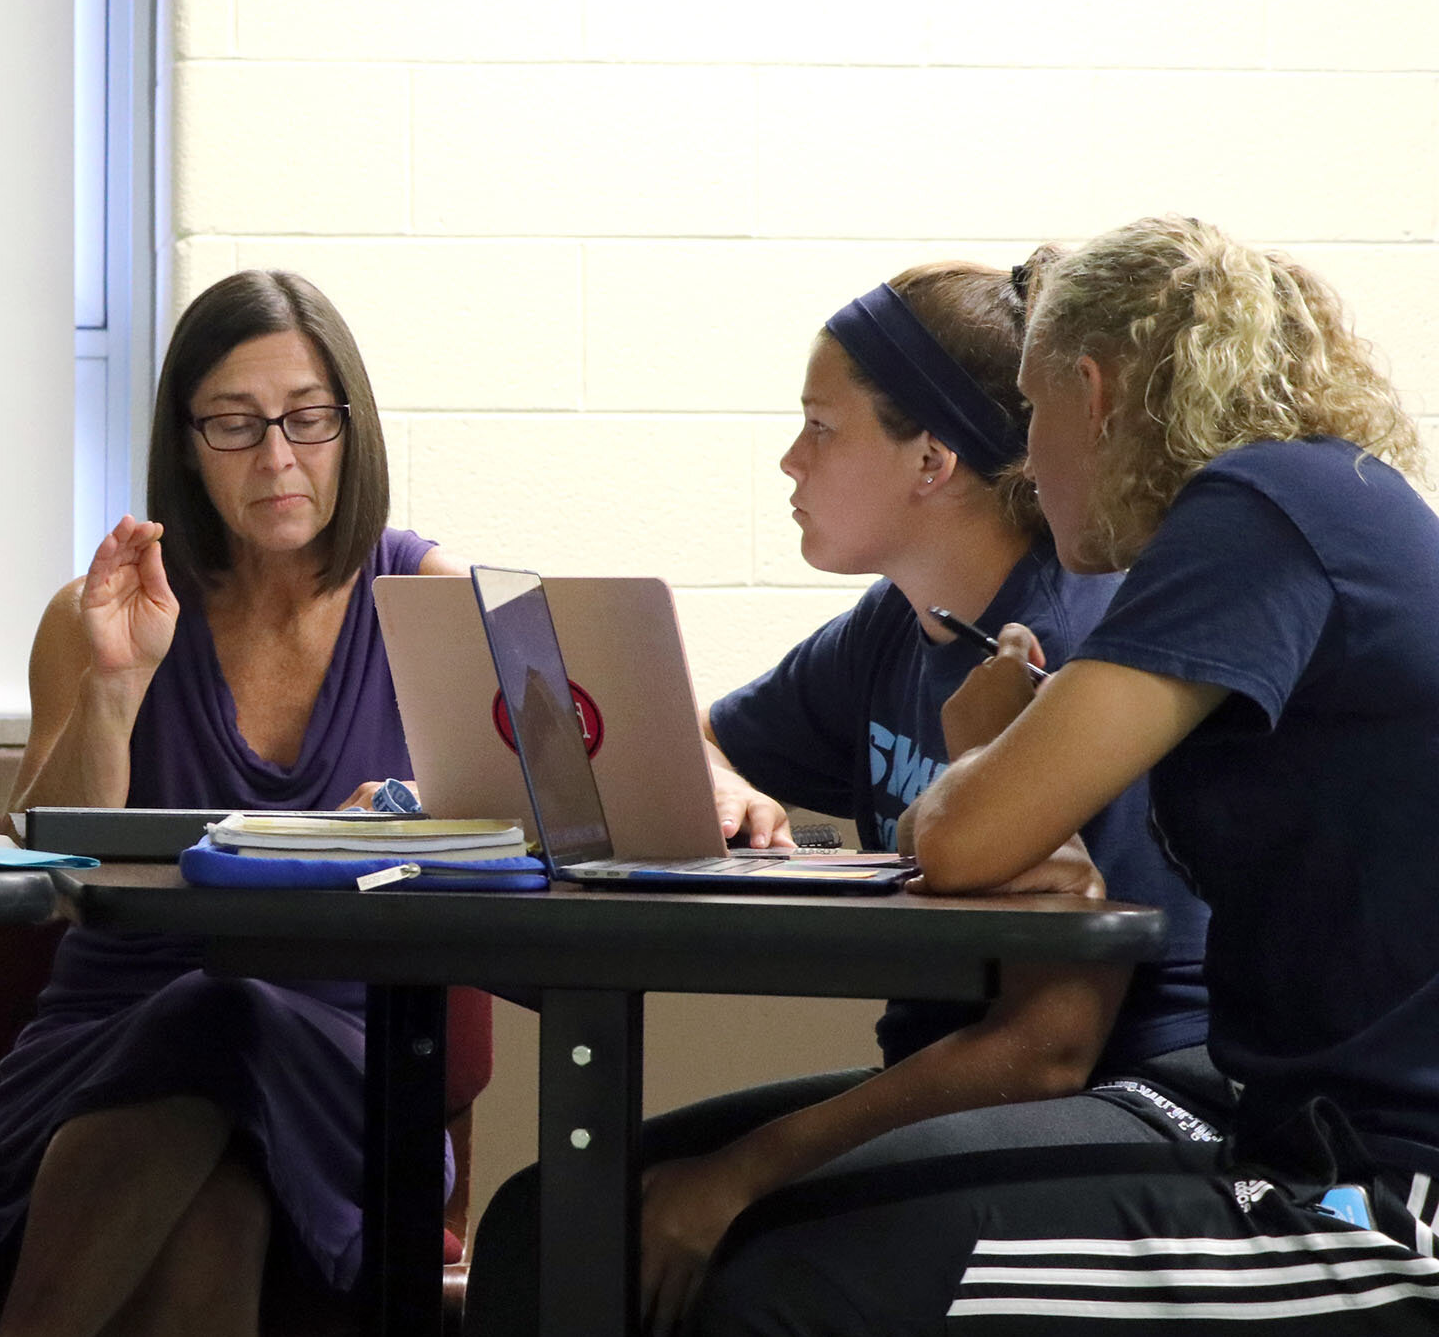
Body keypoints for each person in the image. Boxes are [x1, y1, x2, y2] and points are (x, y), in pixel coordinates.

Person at [687, 216, 1439, 1334]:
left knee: (798, 1272)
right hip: (1271, 1113)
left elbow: (958, 839)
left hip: (1372, 1192)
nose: (1027, 466)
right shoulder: (1299, 501)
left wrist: (984, 743)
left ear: (1092, 391)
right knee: (614, 1199)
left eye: (1030, 416)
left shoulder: (1256, 510)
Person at [466, 257, 1217, 1336]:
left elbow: (1049, 1042)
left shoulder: (1074, 646)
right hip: (960, 1077)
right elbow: (702, 736)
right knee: (546, 1224)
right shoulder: (892, 624)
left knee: (760, 1270)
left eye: (821, 425)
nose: (789, 458)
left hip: (1129, 1093)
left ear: (931, 459)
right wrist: (720, 783)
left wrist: (742, 1172)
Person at [0, 270, 465, 1337]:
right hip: (107, 1039)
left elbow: (539, 810)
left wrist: (410, 808)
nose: (276, 457)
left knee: (228, 1012)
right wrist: (114, 688)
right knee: (211, 1204)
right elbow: (48, 876)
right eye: (233, 425)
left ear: (350, 428)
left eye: (306, 420)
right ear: (183, 442)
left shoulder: (430, 604)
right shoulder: (95, 613)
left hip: (347, 1058)